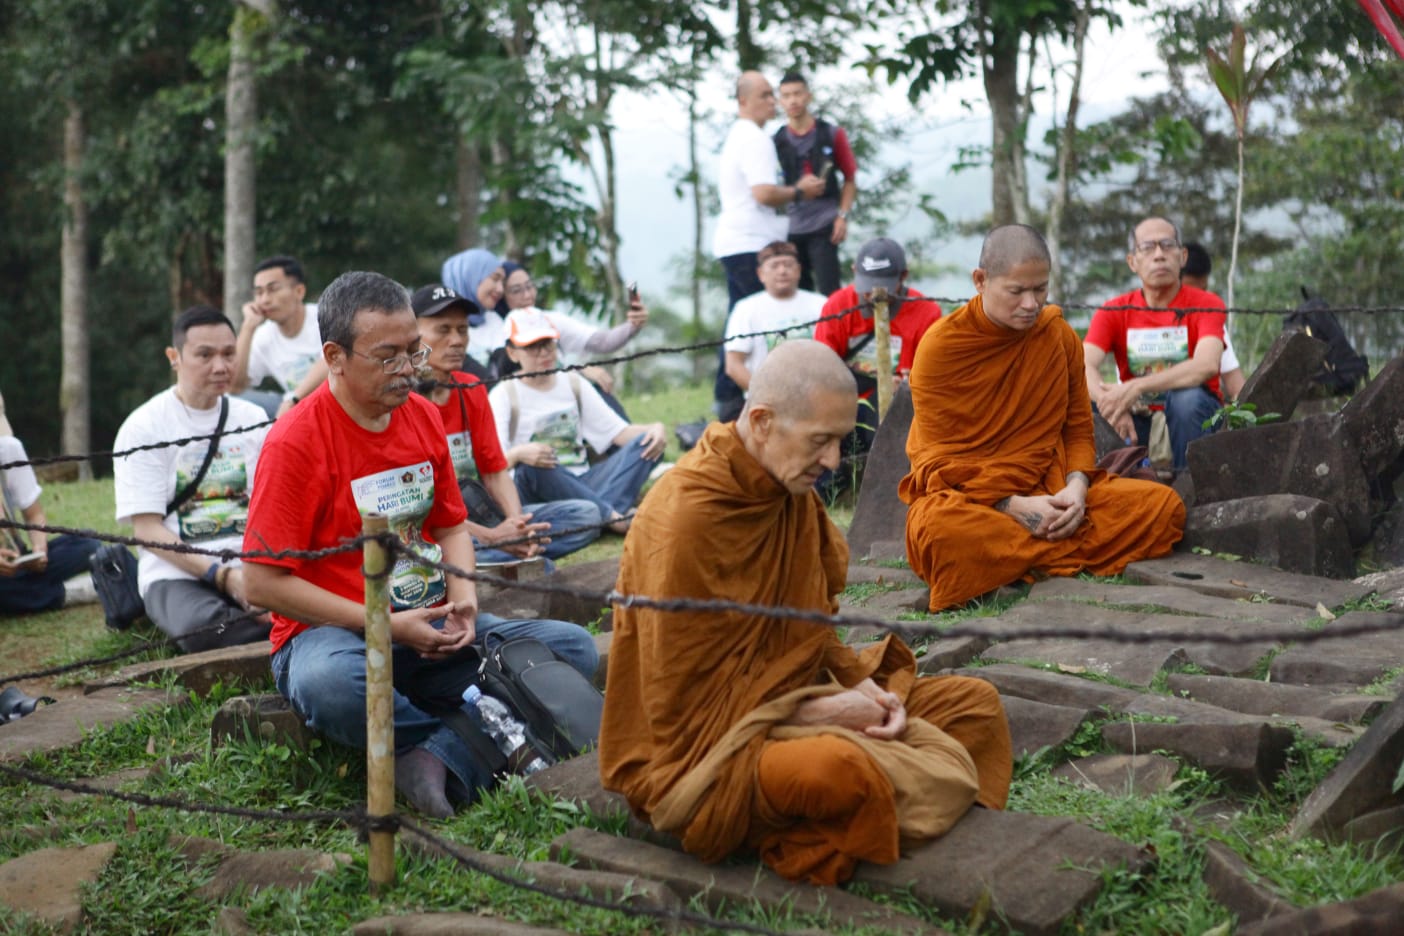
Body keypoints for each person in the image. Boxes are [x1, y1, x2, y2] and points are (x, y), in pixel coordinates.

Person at [599, 340, 1012, 886]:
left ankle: (879, 816)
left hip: (793, 695)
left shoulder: (785, 487)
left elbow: (811, 629)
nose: (834, 462)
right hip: (705, 754)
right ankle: (878, 813)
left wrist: (859, 689)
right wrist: (820, 714)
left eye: (841, 441)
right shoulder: (683, 523)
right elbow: (678, 710)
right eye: (821, 441)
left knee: (973, 705)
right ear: (762, 422)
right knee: (838, 771)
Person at [242, 271, 597, 819]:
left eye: (413, 351)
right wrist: (383, 624)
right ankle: (470, 736)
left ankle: (436, 751)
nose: (409, 369)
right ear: (334, 357)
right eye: (388, 357)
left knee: (574, 648)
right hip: (333, 635)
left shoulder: (423, 417)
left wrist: (466, 604)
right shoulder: (294, 441)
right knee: (330, 685)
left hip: (429, 622)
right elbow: (261, 583)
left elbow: (451, 527)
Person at [901, 225, 1185, 612]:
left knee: (1163, 508)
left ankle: (1012, 560)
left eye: (1041, 289)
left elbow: (1078, 430)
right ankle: (1045, 549)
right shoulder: (942, 347)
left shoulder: (1057, 337)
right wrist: (1011, 506)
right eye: (1016, 291)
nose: (1031, 304)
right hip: (975, 500)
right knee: (940, 532)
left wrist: (1076, 490)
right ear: (980, 281)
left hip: (1050, 487)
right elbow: (936, 462)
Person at [113, 305, 273, 652]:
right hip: (177, 572)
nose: (221, 366)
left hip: (253, 562)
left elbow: (273, 504)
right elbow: (147, 530)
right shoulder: (143, 427)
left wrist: (261, 572)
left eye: (229, 354)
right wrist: (224, 576)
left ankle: (277, 630)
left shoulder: (254, 418)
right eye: (205, 355)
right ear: (174, 357)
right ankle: (284, 635)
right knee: (203, 629)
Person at [411, 283, 603, 562]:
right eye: (443, 330)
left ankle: (510, 554)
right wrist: (491, 537)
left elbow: (495, 472)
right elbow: (421, 510)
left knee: (586, 515)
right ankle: (502, 557)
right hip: (441, 529)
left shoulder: (471, 387)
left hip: (483, 514)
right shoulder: (402, 400)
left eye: (462, 330)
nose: (456, 340)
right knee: (443, 546)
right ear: (413, 336)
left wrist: (517, 526)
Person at [713, 70, 825, 420]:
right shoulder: (754, 139)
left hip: (741, 240)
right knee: (750, 325)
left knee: (739, 320)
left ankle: (732, 400)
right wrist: (799, 192)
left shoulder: (743, 135)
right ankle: (736, 403)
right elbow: (763, 193)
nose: (772, 101)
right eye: (764, 95)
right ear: (743, 101)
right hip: (750, 243)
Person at [488, 310, 666, 530]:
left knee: (648, 443)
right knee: (531, 466)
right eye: (533, 347)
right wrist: (518, 454)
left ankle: (599, 517)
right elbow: (495, 465)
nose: (543, 353)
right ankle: (612, 517)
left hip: (584, 480)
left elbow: (618, 433)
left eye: (548, 344)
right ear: (513, 353)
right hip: (539, 486)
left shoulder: (573, 382)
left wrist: (655, 429)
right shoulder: (502, 395)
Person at [1084, 217, 1227, 472]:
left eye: (1167, 245)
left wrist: (1136, 386)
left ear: (1182, 256)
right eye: (1148, 247)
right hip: (1137, 415)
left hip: (1194, 416)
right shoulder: (1114, 310)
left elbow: (1206, 365)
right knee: (1084, 406)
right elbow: (1082, 364)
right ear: (1132, 262)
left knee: (1186, 400)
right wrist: (1112, 402)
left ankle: (1192, 485)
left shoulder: (1207, 303)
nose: (1159, 255)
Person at [812, 237, 942, 492]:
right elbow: (821, 366)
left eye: (882, 285)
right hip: (843, 396)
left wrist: (904, 385)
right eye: (866, 285)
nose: (872, 294)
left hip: (901, 402)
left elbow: (931, 375)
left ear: (903, 276)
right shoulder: (838, 305)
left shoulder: (926, 311)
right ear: (854, 272)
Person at [494, 261, 648, 419]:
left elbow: (602, 341)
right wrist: (578, 371)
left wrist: (633, 325)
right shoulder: (495, 332)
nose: (527, 295)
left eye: (529, 286)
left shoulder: (548, 320)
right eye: (516, 291)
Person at [720, 241, 827, 421]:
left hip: (816, 401)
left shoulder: (821, 304)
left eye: (788, 265)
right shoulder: (746, 309)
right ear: (760, 273)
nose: (782, 271)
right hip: (764, 405)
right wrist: (767, 397)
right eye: (775, 266)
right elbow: (733, 365)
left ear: (799, 270)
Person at [774, 71, 858, 296]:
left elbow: (850, 178)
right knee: (796, 295)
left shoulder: (832, 134)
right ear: (780, 101)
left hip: (824, 225)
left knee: (830, 294)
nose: (793, 100)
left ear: (808, 96)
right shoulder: (776, 141)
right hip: (790, 228)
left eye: (797, 94)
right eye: (786, 96)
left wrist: (842, 216)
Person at [0, 430, 100, 614]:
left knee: (88, 543)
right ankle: (68, 592)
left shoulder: (7, 449)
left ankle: (25, 591)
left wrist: (39, 550)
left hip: (19, 559)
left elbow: (34, 515)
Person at [233, 255, 329, 418]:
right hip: (296, 409)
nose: (264, 300)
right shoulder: (264, 336)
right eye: (259, 292)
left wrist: (294, 399)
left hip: (333, 402)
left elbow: (331, 362)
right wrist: (248, 327)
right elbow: (235, 386)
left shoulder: (324, 317)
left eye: (273, 289)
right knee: (232, 400)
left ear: (299, 291)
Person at [1182, 241, 1245, 400]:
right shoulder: (1140, 320)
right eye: (1190, 294)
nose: (1198, 301)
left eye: (1202, 292)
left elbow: (1236, 385)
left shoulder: (1210, 320)